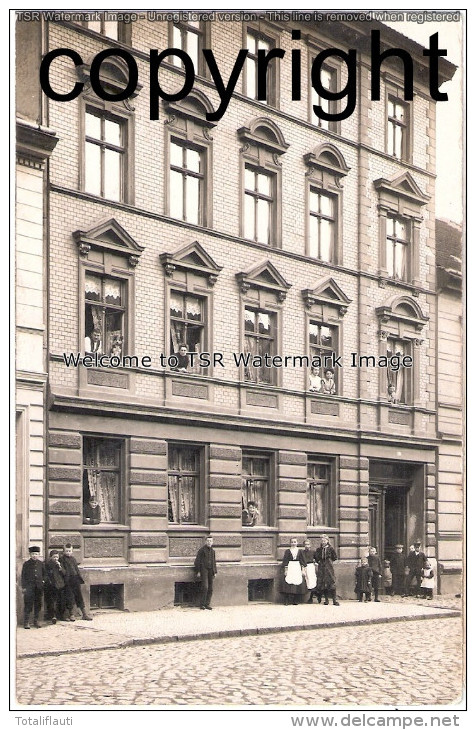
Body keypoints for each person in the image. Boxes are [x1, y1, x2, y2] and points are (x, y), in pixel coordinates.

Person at [60, 543, 93, 621]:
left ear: (72, 551)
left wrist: (79, 577)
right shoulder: (62, 559)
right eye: (66, 551)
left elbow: (76, 569)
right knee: (70, 597)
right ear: (63, 551)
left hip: (75, 580)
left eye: (69, 551)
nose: (68, 552)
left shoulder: (73, 559)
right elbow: (63, 571)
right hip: (68, 581)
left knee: (79, 596)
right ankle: (71, 614)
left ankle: (84, 614)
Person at [21, 546, 46, 629]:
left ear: (39, 554)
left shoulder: (41, 563)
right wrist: (24, 587)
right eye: (33, 554)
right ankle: (26, 622)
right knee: (28, 604)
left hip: (38, 587)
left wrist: (43, 581)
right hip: (29, 588)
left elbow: (45, 574)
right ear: (30, 554)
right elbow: (23, 576)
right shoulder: (26, 564)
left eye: (36, 554)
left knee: (38, 604)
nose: (34, 555)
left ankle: (36, 621)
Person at [313, 535, 340, 606]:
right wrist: (318, 561)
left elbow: (335, 557)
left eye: (324, 541)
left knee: (331, 582)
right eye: (322, 541)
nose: (323, 542)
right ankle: (326, 600)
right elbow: (316, 558)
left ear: (327, 541)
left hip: (329, 568)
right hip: (321, 567)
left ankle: (334, 600)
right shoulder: (319, 549)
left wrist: (329, 562)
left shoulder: (331, 549)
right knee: (323, 584)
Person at [194, 536, 217, 610]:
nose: (209, 542)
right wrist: (198, 571)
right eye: (208, 541)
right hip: (204, 570)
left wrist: (215, 571)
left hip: (211, 571)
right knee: (205, 587)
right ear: (205, 542)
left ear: (212, 542)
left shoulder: (213, 551)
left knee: (211, 588)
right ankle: (202, 604)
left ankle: (207, 604)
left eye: (210, 541)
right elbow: (197, 561)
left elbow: (214, 562)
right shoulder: (201, 550)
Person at [281, 537, 306, 605]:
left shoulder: (300, 551)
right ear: (290, 543)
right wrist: (286, 570)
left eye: (295, 542)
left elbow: (302, 561)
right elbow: (285, 561)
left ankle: (295, 600)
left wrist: (303, 570)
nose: (293, 543)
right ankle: (287, 600)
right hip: (290, 567)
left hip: (297, 567)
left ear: (297, 543)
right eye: (292, 542)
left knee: (296, 582)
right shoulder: (288, 551)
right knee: (288, 581)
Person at [44, 549, 65, 624]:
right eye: (54, 557)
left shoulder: (59, 563)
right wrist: (49, 582)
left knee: (61, 600)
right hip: (52, 585)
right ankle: (53, 616)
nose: (56, 559)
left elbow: (64, 573)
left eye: (57, 557)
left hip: (60, 585)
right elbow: (46, 574)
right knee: (52, 601)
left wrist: (60, 567)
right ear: (51, 557)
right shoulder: (48, 564)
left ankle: (61, 615)